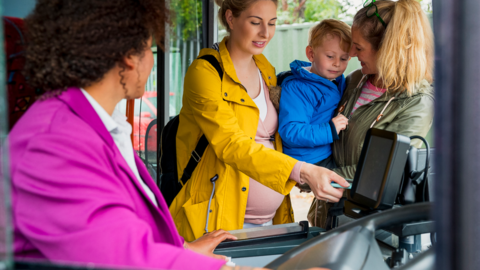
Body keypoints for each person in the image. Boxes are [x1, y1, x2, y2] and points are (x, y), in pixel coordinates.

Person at [8, 1, 273, 269]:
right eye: (149, 47)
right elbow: (123, 258)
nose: (150, 58)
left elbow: (122, 225)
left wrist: (183, 248)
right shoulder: (54, 143)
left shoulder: (99, 125)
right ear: (128, 56)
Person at [170, 0, 349, 241]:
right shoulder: (205, 73)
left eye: (272, 23)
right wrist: (302, 171)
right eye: (255, 22)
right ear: (231, 19)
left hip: (271, 221)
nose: (265, 33)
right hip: (218, 221)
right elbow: (231, 145)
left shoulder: (264, 68)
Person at [308, 0, 435, 229]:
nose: (352, 54)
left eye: (359, 47)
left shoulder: (416, 102)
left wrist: (309, 175)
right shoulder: (356, 80)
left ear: (387, 49)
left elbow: (378, 169)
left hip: (367, 225)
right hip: (328, 211)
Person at [277, 19, 351, 170]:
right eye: (330, 56)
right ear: (311, 54)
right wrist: (329, 129)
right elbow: (291, 131)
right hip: (308, 160)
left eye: (344, 58)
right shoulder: (298, 88)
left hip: (325, 152)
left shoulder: (334, 80)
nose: (337, 63)